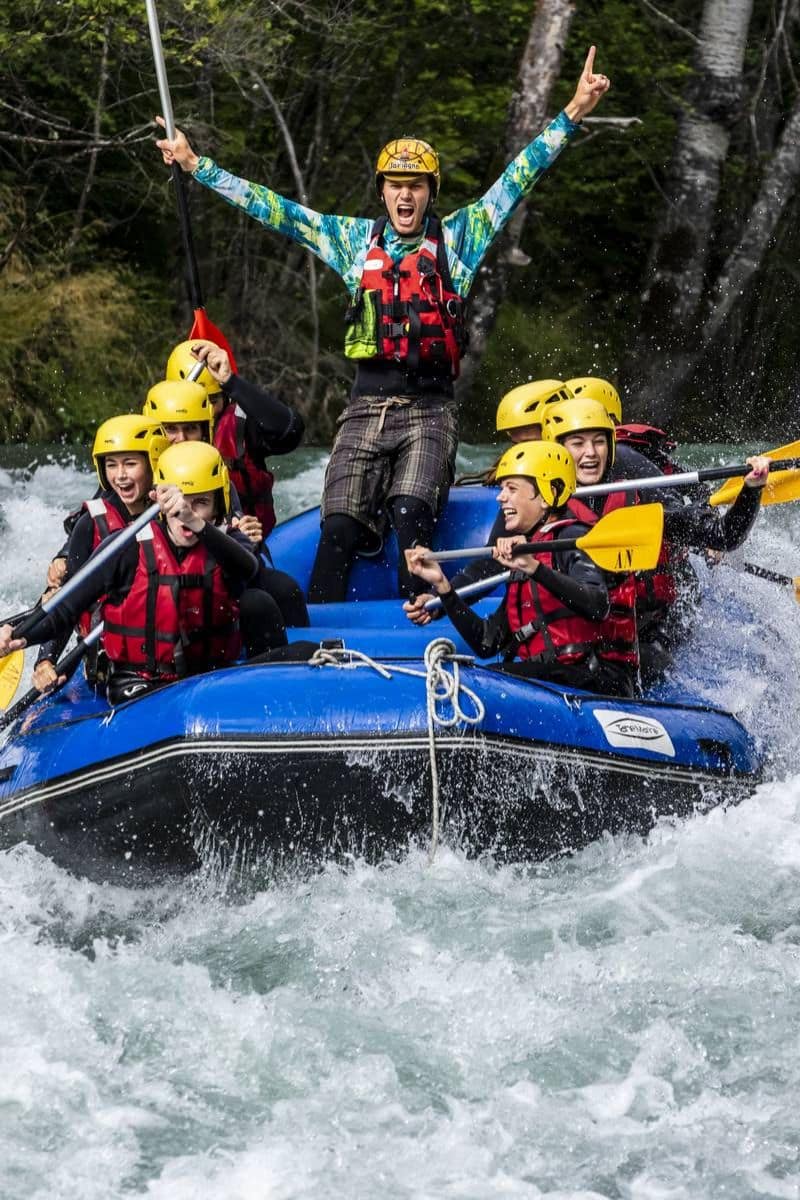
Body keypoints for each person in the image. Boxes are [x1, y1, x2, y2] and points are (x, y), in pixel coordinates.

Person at [155, 48, 611, 602]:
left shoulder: (461, 239)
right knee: (341, 524)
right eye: (395, 184)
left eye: (416, 185)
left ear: (429, 194)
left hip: (430, 408)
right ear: (382, 190)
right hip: (366, 406)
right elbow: (276, 210)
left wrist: (573, 111)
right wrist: (197, 166)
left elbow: (520, 176)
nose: (405, 194)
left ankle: (415, 624)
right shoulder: (352, 243)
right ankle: (313, 636)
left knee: (410, 513)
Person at [1, 443, 288, 705]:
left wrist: (194, 522)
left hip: (209, 679)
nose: (186, 512)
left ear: (218, 506)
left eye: (201, 503)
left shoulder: (227, 546)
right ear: (160, 501)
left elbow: (249, 571)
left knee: (267, 612)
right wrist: (20, 637)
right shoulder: (125, 548)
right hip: (140, 684)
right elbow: (67, 608)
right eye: (181, 502)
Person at [543, 397, 771, 682]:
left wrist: (751, 489)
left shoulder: (640, 499)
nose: (590, 453)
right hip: (570, 637)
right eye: (578, 444)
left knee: (650, 660)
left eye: (598, 442)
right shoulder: (535, 500)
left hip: (637, 637)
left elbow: (723, 536)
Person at [406, 441, 639, 698]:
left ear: (547, 494)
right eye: (502, 488)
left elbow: (597, 605)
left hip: (597, 680)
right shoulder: (529, 555)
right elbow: (487, 642)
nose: (500, 496)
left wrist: (535, 568)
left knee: (494, 677)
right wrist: (444, 588)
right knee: (482, 673)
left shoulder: (572, 537)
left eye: (512, 488)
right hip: (556, 680)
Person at [144, 372, 310, 629]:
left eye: (190, 429)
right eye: (170, 430)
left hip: (211, 571)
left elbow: (236, 540)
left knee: (281, 592)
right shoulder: (134, 477)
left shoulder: (217, 478)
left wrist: (245, 538)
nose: (180, 439)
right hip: (154, 578)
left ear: (203, 430)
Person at [404, 378, 576, 625]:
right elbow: (493, 564)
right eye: (516, 445)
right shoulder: (529, 490)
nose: (520, 455)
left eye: (528, 444)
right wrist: (437, 600)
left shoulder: (605, 472)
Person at [32, 415, 169, 693]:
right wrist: (45, 660)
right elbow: (69, 603)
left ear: (154, 461)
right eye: (111, 465)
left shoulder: (176, 517)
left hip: (170, 662)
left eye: (130, 463)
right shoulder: (91, 524)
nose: (120, 475)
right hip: (114, 666)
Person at [163, 339, 305, 540]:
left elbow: (290, 431)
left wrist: (232, 382)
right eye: (195, 403)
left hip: (245, 545)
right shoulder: (157, 433)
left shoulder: (240, 427)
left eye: (211, 401)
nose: (204, 413)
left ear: (226, 397)